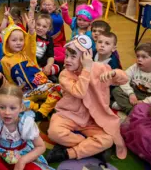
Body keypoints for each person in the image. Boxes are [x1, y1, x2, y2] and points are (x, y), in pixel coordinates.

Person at [46, 35, 129, 163]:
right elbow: (79, 92)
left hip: (92, 119)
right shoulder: (64, 74)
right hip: (68, 115)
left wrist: (114, 73)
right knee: (54, 132)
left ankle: (69, 153)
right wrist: (87, 69)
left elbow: (124, 79)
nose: (67, 60)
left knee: (108, 140)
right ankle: (89, 147)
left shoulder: (99, 68)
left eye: (73, 56)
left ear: (86, 57)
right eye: (67, 55)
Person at [1, 16, 62, 121]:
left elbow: (32, 43)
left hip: (42, 85)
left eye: (21, 39)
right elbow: (10, 80)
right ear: (7, 42)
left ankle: (41, 112)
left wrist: (32, 30)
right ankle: (40, 109)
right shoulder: (4, 61)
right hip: (26, 92)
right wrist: (15, 92)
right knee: (15, 101)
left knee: (59, 90)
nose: (18, 42)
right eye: (14, 40)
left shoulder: (28, 53)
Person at [111, 43, 151, 114]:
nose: (139, 59)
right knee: (116, 90)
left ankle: (123, 106)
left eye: (144, 57)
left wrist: (143, 102)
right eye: (138, 56)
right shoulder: (134, 67)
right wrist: (130, 93)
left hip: (148, 95)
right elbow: (123, 80)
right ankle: (132, 110)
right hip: (134, 91)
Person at [36, 0, 66, 64]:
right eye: (44, 4)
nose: (46, 6)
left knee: (61, 54)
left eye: (49, 5)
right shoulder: (39, 16)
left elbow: (58, 21)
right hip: (42, 44)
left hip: (56, 44)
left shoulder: (57, 17)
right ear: (40, 7)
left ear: (54, 7)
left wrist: (63, 11)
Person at [34, 13, 61, 80]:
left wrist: (49, 66)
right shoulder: (32, 35)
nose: (40, 28)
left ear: (49, 28)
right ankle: (42, 74)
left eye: (44, 26)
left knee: (58, 65)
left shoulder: (49, 39)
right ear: (34, 24)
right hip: (32, 64)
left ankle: (44, 73)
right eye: (38, 25)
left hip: (43, 64)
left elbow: (51, 56)